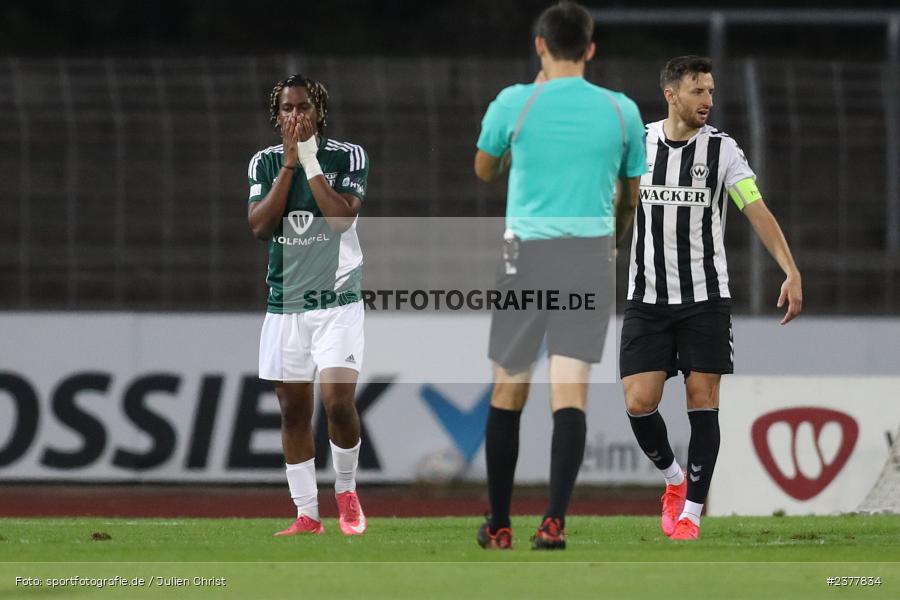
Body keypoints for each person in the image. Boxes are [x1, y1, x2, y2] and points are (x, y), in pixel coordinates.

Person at [473, 1, 646, 550]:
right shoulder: (622, 111)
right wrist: (612, 240)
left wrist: (512, 149)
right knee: (569, 393)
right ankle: (553, 521)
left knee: (509, 389)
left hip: (526, 258)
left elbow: (484, 168)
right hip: (590, 256)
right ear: (591, 49)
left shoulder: (515, 103)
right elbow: (630, 197)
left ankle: (499, 525)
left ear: (541, 46)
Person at [621, 56, 803, 540]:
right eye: (698, 91)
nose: (708, 100)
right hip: (647, 297)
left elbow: (755, 208)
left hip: (704, 299)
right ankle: (674, 482)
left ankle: (692, 516)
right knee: (639, 402)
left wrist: (790, 268)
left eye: (711, 92)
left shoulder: (722, 150)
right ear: (671, 94)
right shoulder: (638, 144)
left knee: (702, 400)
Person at [246, 74, 369, 537]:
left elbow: (339, 218)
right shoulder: (264, 163)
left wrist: (312, 161)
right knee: (293, 411)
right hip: (285, 305)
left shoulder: (349, 155)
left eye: (303, 107)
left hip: (338, 301)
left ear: (319, 111)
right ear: (276, 115)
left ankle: (346, 490)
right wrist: (290, 167)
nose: (295, 116)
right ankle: (307, 514)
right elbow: (259, 226)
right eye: (286, 109)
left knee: (338, 403)